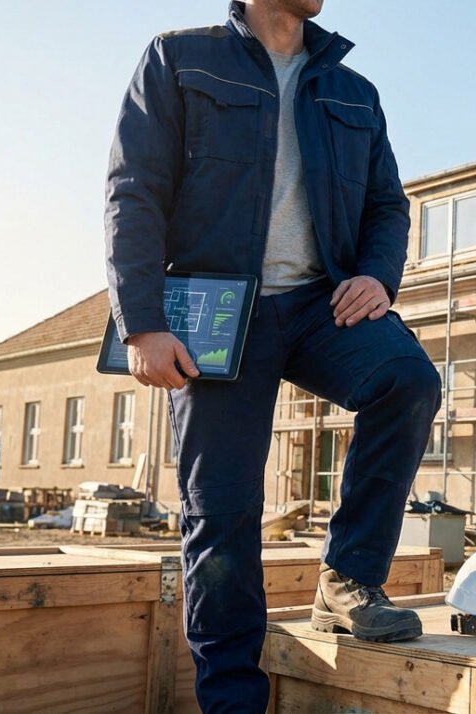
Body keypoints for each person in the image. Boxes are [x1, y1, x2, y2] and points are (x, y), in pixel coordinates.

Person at [104, 1, 440, 710]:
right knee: (221, 514)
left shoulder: (353, 90)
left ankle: (347, 581)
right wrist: (141, 322)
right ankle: (232, 700)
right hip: (218, 309)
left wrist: (377, 276)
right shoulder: (179, 58)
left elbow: (388, 204)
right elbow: (133, 190)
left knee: (407, 381)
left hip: (323, 303)